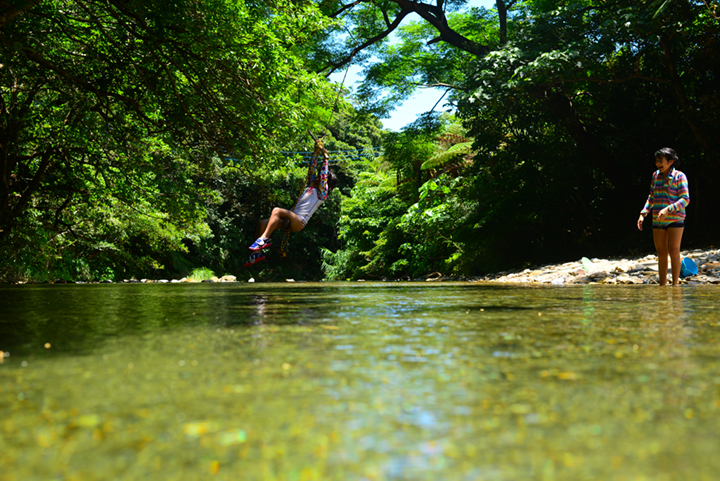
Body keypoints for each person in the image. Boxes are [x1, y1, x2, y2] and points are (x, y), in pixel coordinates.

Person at [245, 140, 338, 267]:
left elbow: (322, 176)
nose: (317, 177)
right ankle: (257, 253)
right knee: (262, 223)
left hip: (299, 222)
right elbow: (312, 168)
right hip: (290, 219)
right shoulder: (312, 185)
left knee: (277, 210)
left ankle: (263, 239)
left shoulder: (323, 192)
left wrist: (326, 158)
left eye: (322, 178)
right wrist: (316, 151)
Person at [637, 147, 689, 286]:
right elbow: (651, 197)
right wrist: (643, 213)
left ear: (671, 161)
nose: (658, 164)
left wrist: (668, 209)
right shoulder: (655, 176)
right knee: (661, 254)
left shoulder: (680, 176)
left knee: (674, 251)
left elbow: (685, 199)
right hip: (657, 220)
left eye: (661, 161)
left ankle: (675, 285)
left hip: (675, 219)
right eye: (657, 161)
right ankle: (663, 286)